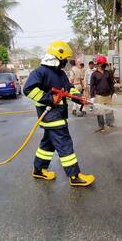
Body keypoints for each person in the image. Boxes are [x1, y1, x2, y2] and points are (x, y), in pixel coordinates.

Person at [23, 41, 95, 187]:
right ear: (57, 57)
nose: (65, 62)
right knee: (65, 144)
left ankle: (38, 169)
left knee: (47, 144)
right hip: (51, 116)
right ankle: (74, 176)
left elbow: (69, 89)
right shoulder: (40, 72)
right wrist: (49, 98)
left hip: (57, 115)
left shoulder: (60, 74)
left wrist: (80, 99)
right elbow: (28, 89)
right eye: (64, 59)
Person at [90, 55, 115, 132]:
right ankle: (101, 126)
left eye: (105, 63)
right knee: (99, 111)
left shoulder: (107, 73)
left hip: (108, 95)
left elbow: (111, 83)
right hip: (99, 96)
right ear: (99, 64)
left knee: (109, 110)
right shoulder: (94, 74)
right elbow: (92, 85)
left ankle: (110, 123)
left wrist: (113, 93)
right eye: (103, 63)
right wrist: (92, 96)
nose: (104, 65)